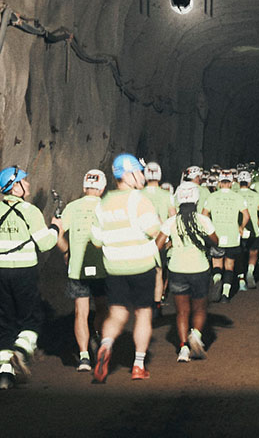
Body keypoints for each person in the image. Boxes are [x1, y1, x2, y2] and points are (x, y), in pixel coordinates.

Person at [0, 165, 59, 389]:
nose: (28, 184)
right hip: (25, 273)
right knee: (32, 319)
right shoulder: (30, 212)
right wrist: (55, 229)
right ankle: (20, 350)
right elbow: (46, 243)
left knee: (5, 322)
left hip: (0, 273)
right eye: (24, 181)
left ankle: (5, 375)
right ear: (15, 187)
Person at [91, 154, 164, 382]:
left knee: (117, 313)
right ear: (130, 174)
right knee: (143, 313)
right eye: (139, 172)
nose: (142, 176)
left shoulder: (103, 204)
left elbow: (96, 241)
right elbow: (154, 231)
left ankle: (106, 345)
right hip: (141, 265)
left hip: (114, 268)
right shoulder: (139, 200)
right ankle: (138, 365)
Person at [157, 182, 218, 362]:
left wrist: (172, 244)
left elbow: (158, 245)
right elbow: (215, 241)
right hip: (199, 268)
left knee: (182, 311)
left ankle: (183, 348)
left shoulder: (171, 221)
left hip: (177, 269)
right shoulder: (203, 220)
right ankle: (196, 334)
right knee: (200, 307)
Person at [56, 169, 109, 372]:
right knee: (103, 308)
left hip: (77, 269)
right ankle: (98, 338)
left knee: (81, 312)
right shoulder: (106, 207)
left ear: (84, 187)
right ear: (102, 188)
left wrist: (67, 252)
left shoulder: (72, 207)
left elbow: (57, 235)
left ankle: (84, 356)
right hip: (103, 268)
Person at [201, 170, 250, 302]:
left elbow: (203, 215)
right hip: (233, 236)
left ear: (219, 183)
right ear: (232, 183)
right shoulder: (238, 197)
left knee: (217, 263)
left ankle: (217, 279)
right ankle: (225, 294)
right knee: (230, 266)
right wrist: (241, 227)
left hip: (216, 236)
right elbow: (246, 216)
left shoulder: (212, 197)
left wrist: (209, 228)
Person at [142, 162, 176, 318]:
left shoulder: (138, 194)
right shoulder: (166, 195)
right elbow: (174, 217)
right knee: (158, 272)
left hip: (140, 239)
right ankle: (156, 305)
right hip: (159, 239)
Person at [236, 170, 259, 289]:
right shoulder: (255, 195)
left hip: (239, 229)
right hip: (253, 228)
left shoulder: (235, 194)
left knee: (240, 254)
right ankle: (250, 272)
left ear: (239, 182)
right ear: (249, 182)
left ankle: (241, 277)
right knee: (253, 252)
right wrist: (258, 221)